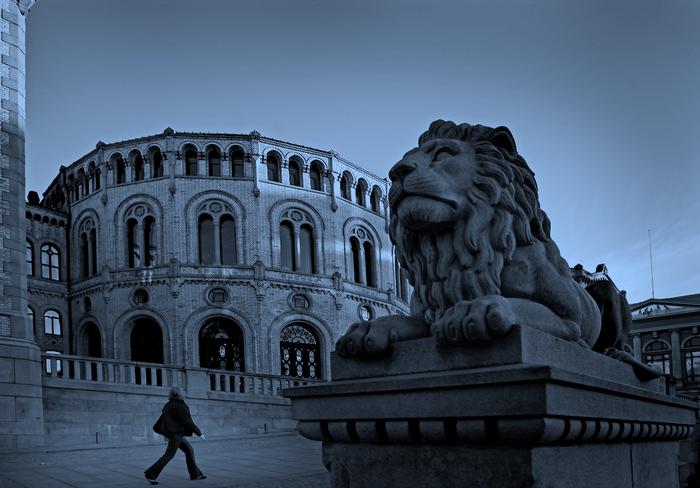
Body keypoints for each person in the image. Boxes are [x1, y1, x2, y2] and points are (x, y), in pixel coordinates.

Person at [144, 386, 206, 484]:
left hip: (175, 434)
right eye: (182, 392)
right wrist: (199, 433)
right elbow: (188, 421)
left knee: (189, 450)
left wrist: (158, 429)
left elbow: (162, 420)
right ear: (180, 394)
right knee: (169, 455)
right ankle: (151, 475)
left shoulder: (168, 405)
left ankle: (196, 474)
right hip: (176, 434)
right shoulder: (181, 406)